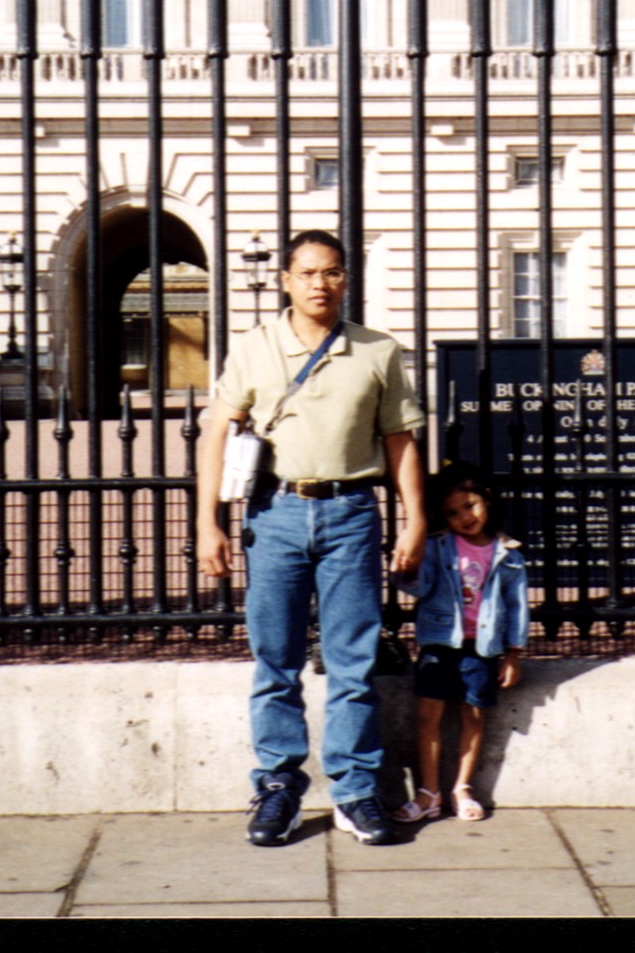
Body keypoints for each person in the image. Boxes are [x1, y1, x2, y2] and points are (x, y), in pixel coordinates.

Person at [196, 230, 427, 847]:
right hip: (274, 513)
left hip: (351, 512)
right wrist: (206, 522)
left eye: (331, 273)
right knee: (276, 660)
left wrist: (416, 518)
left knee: (353, 663)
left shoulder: (377, 351)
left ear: (346, 279)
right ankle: (277, 788)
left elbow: (400, 440)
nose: (319, 284)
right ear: (286, 280)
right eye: (307, 274)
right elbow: (217, 434)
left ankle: (355, 791)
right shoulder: (253, 348)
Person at [391, 461, 530, 824]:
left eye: (469, 506)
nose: (464, 517)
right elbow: (420, 587)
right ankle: (429, 792)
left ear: (487, 500)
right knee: (427, 719)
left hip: (482, 649)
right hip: (439, 644)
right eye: (453, 513)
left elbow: (517, 609)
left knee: (474, 717)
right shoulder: (439, 547)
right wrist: (406, 568)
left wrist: (513, 654)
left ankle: (462, 787)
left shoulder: (509, 554)